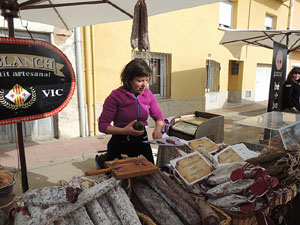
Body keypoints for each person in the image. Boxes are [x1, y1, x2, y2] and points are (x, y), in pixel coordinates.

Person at [97, 58, 164, 166]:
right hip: (120, 140)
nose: (144, 84)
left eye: (147, 80)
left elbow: (159, 116)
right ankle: (101, 160)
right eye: (140, 80)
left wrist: (158, 129)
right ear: (128, 80)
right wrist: (124, 131)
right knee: (118, 178)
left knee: (150, 171)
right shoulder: (115, 96)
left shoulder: (148, 94)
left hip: (142, 140)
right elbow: (102, 125)